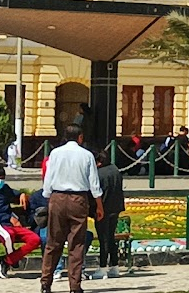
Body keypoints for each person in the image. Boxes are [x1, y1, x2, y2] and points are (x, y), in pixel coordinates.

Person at [41, 124, 104, 293]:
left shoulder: (55, 153)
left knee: (53, 242)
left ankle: (45, 282)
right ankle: (75, 286)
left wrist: (48, 197)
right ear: (80, 137)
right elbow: (94, 183)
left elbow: (49, 178)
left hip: (58, 198)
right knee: (76, 244)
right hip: (78, 199)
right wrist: (99, 205)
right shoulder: (87, 155)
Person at [0, 166, 40, 278]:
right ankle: (12, 260)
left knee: (35, 239)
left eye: (2, 178)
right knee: (8, 235)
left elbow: (16, 194)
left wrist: (22, 195)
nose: (0, 181)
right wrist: (6, 218)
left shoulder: (6, 189)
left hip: (14, 224)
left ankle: (7, 261)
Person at [28, 188, 93, 283]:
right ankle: (55, 270)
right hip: (47, 224)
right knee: (46, 238)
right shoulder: (37, 196)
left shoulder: (70, 195)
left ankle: (79, 269)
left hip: (68, 225)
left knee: (86, 236)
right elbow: (31, 217)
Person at [92, 150, 125, 279]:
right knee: (111, 237)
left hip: (103, 209)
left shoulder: (99, 174)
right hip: (115, 208)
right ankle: (114, 266)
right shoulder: (115, 170)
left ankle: (102, 267)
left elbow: (96, 193)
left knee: (103, 239)